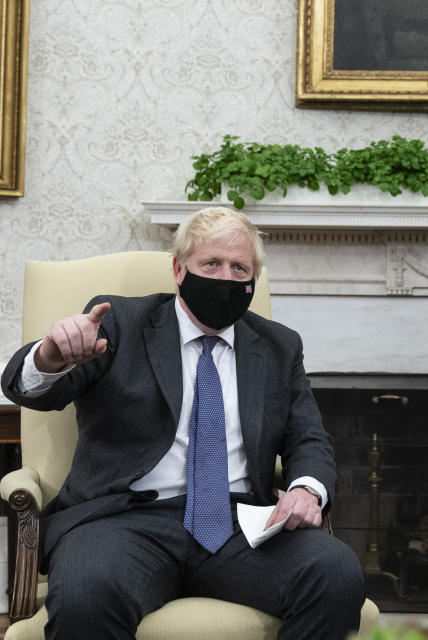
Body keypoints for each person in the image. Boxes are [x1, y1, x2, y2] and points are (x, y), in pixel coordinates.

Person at [1, 206, 365, 639]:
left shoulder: (278, 346)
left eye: (239, 268)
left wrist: (307, 487)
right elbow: (33, 390)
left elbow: (308, 437)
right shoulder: (121, 323)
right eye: (211, 264)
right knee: (86, 594)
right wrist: (50, 356)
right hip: (123, 521)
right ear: (178, 269)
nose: (226, 278)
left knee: (337, 574)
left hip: (239, 526)